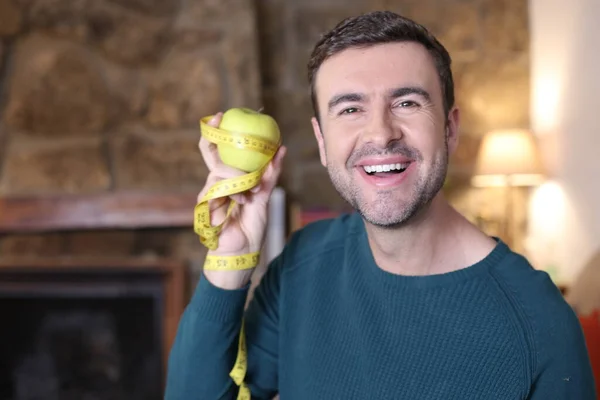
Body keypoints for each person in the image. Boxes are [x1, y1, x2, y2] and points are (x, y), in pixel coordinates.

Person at [164, 11, 596, 399]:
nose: (380, 133)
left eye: (406, 102)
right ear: (321, 141)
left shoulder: (540, 323)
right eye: (350, 109)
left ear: (449, 128)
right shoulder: (302, 263)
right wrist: (230, 258)